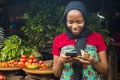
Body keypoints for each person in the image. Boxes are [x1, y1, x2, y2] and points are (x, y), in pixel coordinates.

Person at [52, 1, 108, 80]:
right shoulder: (59, 39)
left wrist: (94, 62)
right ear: (65, 21)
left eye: (79, 22)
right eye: (70, 22)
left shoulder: (97, 38)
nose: (74, 26)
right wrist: (60, 61)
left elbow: (104, 70)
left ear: (85, 20)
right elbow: (56, 74)